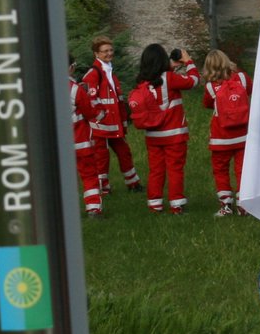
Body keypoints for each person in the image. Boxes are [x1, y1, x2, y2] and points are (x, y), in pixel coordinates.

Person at [133, 43, 199, 213]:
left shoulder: (142, 80)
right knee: (175, 169)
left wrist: (172, 66)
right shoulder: (169, 78)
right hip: (174, 134)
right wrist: (189, 62)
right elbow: (194, 81)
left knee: (156, 170)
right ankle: (176, 205)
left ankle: (155, 204)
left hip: (153, 135)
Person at [83, 36, 141, 194]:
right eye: (105, 51)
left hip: (113, 123)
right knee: (101, 156)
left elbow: (117, 100)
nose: (109, 53)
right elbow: (90, 99)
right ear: (96, 54)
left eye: (110, 50)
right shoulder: (93, 74)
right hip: (100, 125)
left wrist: (122, 121)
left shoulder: (110, 71)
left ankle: (133, 183)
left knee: (124, 152)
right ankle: (103, 187)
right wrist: (101, 116)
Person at [201, 49, 250, 216]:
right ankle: (244, 205)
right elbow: (251, 90)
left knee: (220, 169)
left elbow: (207, 104)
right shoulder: (242, 78)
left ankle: (226, 205)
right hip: (243, 134)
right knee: (242, 169)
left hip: (221, 137)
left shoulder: (210, 87)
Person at [69, 54, 104, 216]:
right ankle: (93, 208)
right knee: (89, 174)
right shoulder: (75, 89)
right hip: (80, 140)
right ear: (71, 67)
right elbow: (89, 112)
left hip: (56, 145)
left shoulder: (44, 88)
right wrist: (100, 114)